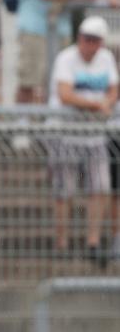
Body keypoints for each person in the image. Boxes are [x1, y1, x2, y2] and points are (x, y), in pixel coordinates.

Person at [47, 16, 116, 266]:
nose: (88, 44)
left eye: (93, 40)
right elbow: (65, 94)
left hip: (94, 136)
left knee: (100, 188)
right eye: (85, 38)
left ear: (100, 42)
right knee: (64, 191)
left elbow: (113, 90)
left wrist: (106, 103)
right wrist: (97, 105)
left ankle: (93, 242)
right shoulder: (66, 58)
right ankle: (61, 243)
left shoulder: (106, 59)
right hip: (65, 135)